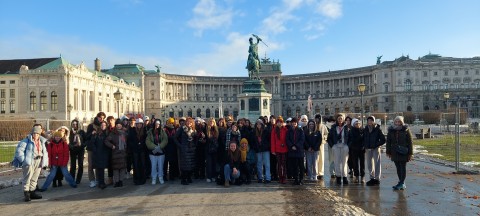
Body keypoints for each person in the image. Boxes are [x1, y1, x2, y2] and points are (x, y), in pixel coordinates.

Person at [15, 125, 49, 202]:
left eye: (37, 133)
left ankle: (32, 192)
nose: (35, 135)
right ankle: (26, 193)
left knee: (35, 178)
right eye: (34, 133)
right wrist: (24, 161)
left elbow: (45, 152)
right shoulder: (26, 141)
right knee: (27, 178)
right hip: (30, 162)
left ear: (39, 134)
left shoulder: (42, 141)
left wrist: (44, 162)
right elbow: (19, 152)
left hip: (39, 161)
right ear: (32, 133)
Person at [386, 116, 413, 190]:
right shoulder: (391, 130)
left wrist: (410, 153)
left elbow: (410, 142)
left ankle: (402, 182)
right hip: (394, 151)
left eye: (399, 121)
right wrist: (388, 151)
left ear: (402, 122)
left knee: (402, 167)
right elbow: (388, 142)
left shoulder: (406, 130)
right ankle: (401, 182)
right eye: (396, 121)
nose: (398, 123)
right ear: (394, 122)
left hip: (403, 151)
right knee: (398, 167)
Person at [327, 113, 352, 185]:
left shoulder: (346, 127)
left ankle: (344, 177)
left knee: (344, 162)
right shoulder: (333, 127)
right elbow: (329, 138)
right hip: (336, 146)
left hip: (344, 146)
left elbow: (351, 137)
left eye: (341, 119)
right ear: (337, 120)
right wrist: (333, 146)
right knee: (336, 162)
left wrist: (348, 145)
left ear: (343, 119)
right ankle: (338, 177)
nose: (340, 120)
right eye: (338, 119)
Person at [105, 119, 128, 187]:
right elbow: (106, 141)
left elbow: (127, 142)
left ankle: (121, 181)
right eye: (117, 125)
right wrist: (112, 146)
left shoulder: (125, 133)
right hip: (115, 153)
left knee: (122, 168)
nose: (118, 126)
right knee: (116, 168)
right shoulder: (113, 133)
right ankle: (117, 181)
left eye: (120, 125)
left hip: (123, 153)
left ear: (121, 125)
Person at [363, 116, 386, 186]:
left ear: (373, 121)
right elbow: (364, 138)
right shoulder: (366, 129)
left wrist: (376, 145)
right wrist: (365, 145)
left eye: (371, 120)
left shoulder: (377, 129)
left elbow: (383, 140)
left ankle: (377, 178)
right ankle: (372, 178)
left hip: (375, 149)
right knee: (369, 164)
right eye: (368, 120)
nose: (370, 122)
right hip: (368, 149)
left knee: (377, 163)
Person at [175, 117, 197, 185]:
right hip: (184, 149)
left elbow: (195, 139)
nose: (189, 123)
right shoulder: (182, 128)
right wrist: (180, 146)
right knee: (185, 165)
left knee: (191, 164)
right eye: (187, 122)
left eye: (190, 122)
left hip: (191, 149)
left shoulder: (193, 130)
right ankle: (183, 179)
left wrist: (195, 146)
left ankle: (189, 177)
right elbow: (175, 138)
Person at [146, 119, 168, 185]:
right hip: (153, 152)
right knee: (153, 165)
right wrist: (155, 147)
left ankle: (160, 177)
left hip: (161, 151)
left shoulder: (162, 131)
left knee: (160, 165)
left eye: (158, 124)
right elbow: (148, 141)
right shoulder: (150, 132)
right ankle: (154, 178)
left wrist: (160, 146)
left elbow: (165, 140)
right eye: (156, 123)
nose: (157, 125)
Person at [90, 121, 110, 189]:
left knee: (103, 168)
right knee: (100, 169)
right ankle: (101, 183)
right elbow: (92, 143)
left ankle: (102, 182)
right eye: (102, 125)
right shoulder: (97, 133)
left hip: (105, 153)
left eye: (104, 125)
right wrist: (95, 150)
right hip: (98, 153)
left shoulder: (107, 133)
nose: (103, 126)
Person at [128, 118, 147, 185]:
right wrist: (135, 145)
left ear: (142, 124)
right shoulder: (132, 131)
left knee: (142, 164)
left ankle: (143, 179)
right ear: (136, 124)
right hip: (135, 150)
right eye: (138, 124)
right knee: (135, 165)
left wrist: (141, 144)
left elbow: (146, 140)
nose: (139, 125)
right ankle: (136, 179)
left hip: (142, 150)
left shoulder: (145, 131)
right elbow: (130, 140)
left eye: (140, 124)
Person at [286, 118, 305, 185]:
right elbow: (287, 139)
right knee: (294, 166)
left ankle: (301, 179)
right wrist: (291, 146)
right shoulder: (289, 131)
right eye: (292, 123)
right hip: (292, 151)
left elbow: (302, 139)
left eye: (295, 123)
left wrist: (296, 146)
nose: (294, 124)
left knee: (301, 166)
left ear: (297, 123)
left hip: (299, 151)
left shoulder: (300, 130)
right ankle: (296, 179)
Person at [271, 116, 288, 184]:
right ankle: (280, 177)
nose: (279, 124)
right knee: (279, 164)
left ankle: (284, 177)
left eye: (280, 122)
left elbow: (287, 139)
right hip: (277, 150)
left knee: (284, 164)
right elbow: (272, 141)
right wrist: (273, 150)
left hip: (284, 149)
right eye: (278, 122)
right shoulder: (274, 130)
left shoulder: (285, 130)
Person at [252, 119, 271, 183]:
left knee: (267, 164)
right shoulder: (254, 132)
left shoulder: (266, 131)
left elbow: (269, 140)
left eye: (260, 124)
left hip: (265, 149)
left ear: (262, 125)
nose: (259, 125)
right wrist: (255, 147)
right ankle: (260, 177)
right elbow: (253, 141)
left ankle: (268, 178)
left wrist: (267, 146)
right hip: (258, 150)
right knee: (259, 164)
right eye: (257, 124)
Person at [349, 118, 365, 183]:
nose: (358, 125)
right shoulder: (351, 131)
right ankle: (356, 176)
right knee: (355, 163)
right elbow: (353, 140)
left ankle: (362, 176)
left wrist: (363, 145)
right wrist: (360, 137)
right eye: (356, 124)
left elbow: (365, 139)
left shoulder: (363, 130)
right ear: (353, 124)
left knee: (362, 164)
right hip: (354, 149)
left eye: (359, 123)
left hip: (362, 149)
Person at [314, 114, 329, 180]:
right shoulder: (313, 125)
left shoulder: (323, 126)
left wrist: (324, 139)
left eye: (318, 118)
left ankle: (321, 173)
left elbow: (326, 134)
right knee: (315, 159)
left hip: (321, 144)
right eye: (316, 118)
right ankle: (315, 172)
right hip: (314, 144)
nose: (317, 119)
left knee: (321, 159)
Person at [205, 117, 219, 183]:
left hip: (215, 149)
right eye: (210, 121)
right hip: (208, 149)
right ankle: (209, 176)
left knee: (214, 163)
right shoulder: (206, 129)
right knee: (209, 164)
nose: (211, 123)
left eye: (212, 122)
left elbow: (217, 139)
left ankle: (213, 176)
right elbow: (206, 139)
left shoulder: (216, 130)